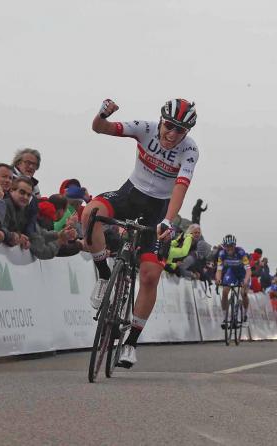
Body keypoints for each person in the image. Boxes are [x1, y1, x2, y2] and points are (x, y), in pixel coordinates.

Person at [82, 98, 199, 368]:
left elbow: (181, 187)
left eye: (179, 130)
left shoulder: (189, 150)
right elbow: (101, 128)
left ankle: (131, 343)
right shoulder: (144, 128)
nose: (171, 134)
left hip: (159, 209)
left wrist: (169, 221)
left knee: (150, 275)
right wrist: (101, 114)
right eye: (169, 126)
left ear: (187, 133)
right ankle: (103, 275)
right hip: (130, 194)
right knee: (90, 214)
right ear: (160, 121)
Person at [215, 234, 252, 328]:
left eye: (231, 246)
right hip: (231, 272)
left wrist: (246, 281)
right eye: (227, 246)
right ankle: (225, 318)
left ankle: (245, 315)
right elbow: (219, 270)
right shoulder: (222, 254)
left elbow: (248, 270)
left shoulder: (241, 252)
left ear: (235, 245)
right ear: (224, 246)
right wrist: (218, 279)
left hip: (243, 273)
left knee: (244, 293)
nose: (229, 248)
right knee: (224, 291)